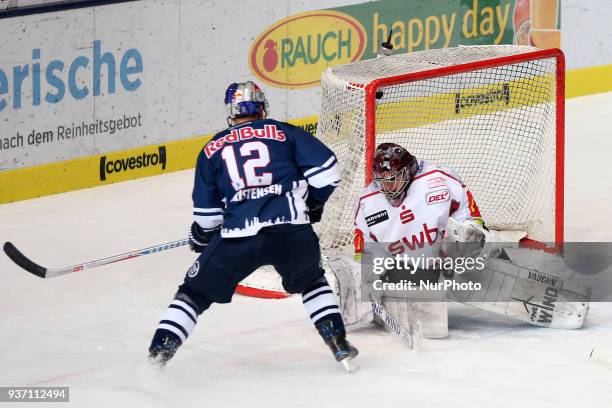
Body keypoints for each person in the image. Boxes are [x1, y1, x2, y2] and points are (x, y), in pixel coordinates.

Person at [147, 81, 358, 369]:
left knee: (193, 294)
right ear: (262, 108)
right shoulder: (285, 132)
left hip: (238, 239)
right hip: (291, 232)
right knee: (312, 282)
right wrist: (313, 203)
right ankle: (339, 345)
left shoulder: (211, 149)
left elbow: (208, 218)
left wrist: (200, 236)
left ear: (230, 113)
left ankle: (156, 359)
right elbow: (329, 173)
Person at [349, 142, 486, 338]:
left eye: (393, 180)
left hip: (448, 264)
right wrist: (368, 281)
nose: (388, 188)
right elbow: (366, 255)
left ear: (407, 172)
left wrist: (471, 232)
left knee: (471, 239)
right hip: (407, 275)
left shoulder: (438, 179)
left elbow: (469, 214)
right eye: (382, 181)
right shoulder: (366, 204)